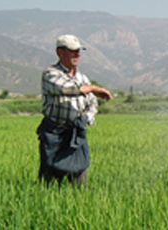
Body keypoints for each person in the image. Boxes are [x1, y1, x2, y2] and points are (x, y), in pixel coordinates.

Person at [36, 34, 112, 187]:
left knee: (79, 180)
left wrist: (86, 118)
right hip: (54, 134)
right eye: (72, 50)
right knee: (48, 181)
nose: (77, 54)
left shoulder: (83, 78)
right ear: (60, 52)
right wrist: (93, 88)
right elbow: (65, 88)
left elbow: (92, 104)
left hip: (75, 134)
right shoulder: (50, 74)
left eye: (79, 51)